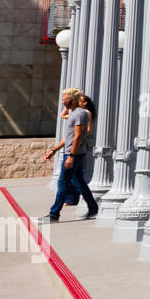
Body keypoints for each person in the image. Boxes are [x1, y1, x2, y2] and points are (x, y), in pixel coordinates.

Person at [43, 87, 97, 221]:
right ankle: (93, 208)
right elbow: (68, 137)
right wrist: (53, 150)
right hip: (73, 153)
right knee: (79, 183)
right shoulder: (74, 113)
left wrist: (71, 156)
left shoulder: (79, 114)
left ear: (72, 100)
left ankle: (53, 214)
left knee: (62, 183)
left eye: (64, 99)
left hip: (74, 154)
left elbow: (78, 137)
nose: (62, 102)